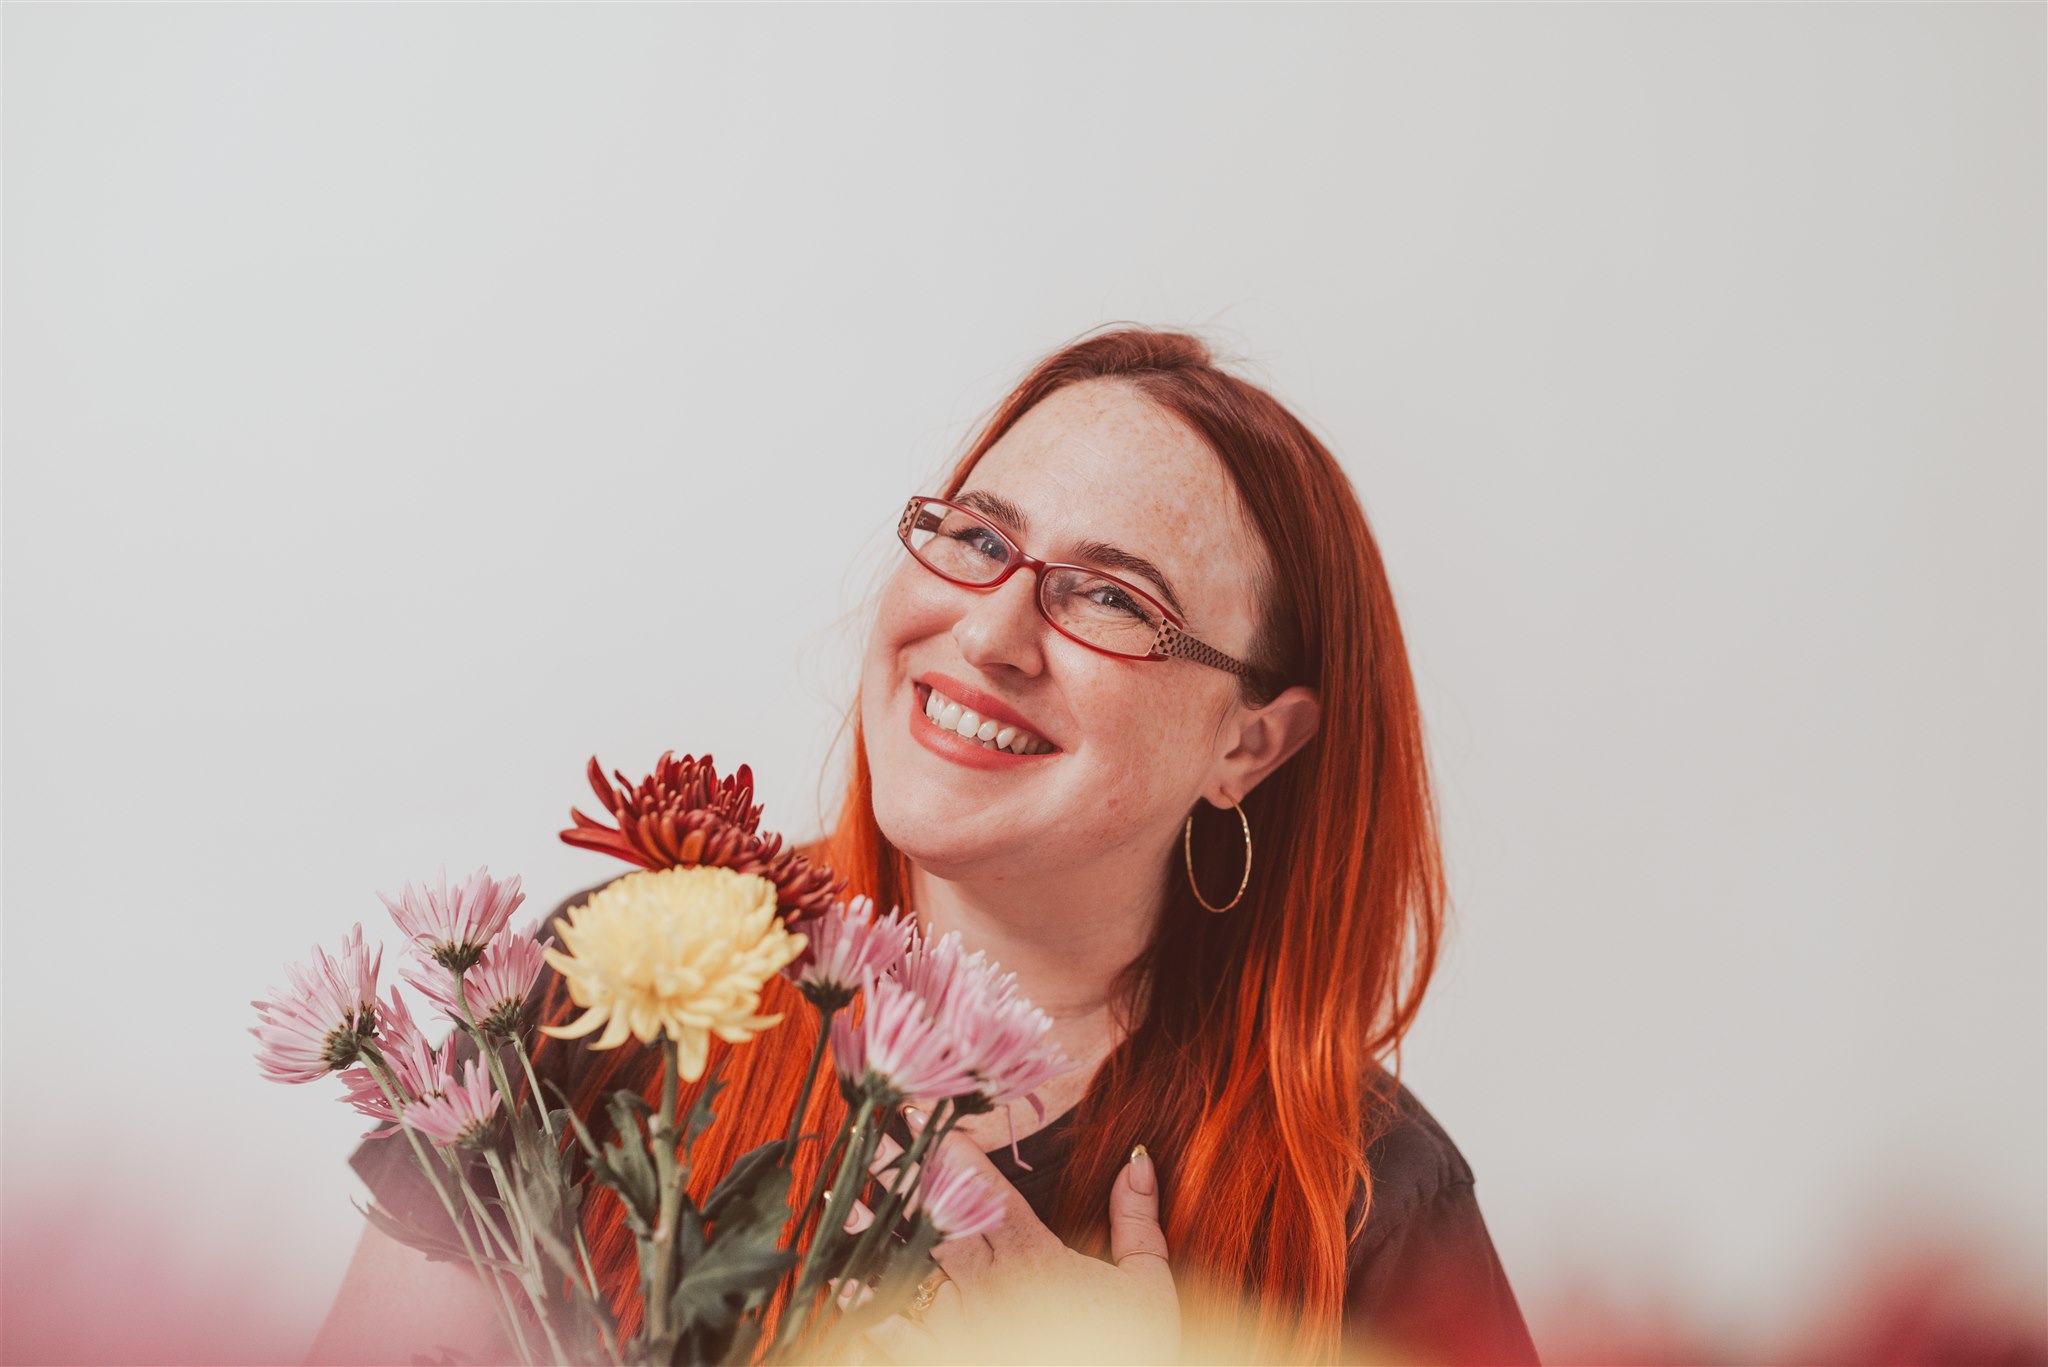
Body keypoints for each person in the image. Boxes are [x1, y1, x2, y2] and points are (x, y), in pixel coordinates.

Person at [310, 325, 1541, 1367]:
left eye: (1112, 597)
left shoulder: (1369, 1202)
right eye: (977, 539)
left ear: (1250, 747)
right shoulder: (616, 986)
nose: (991, 629)